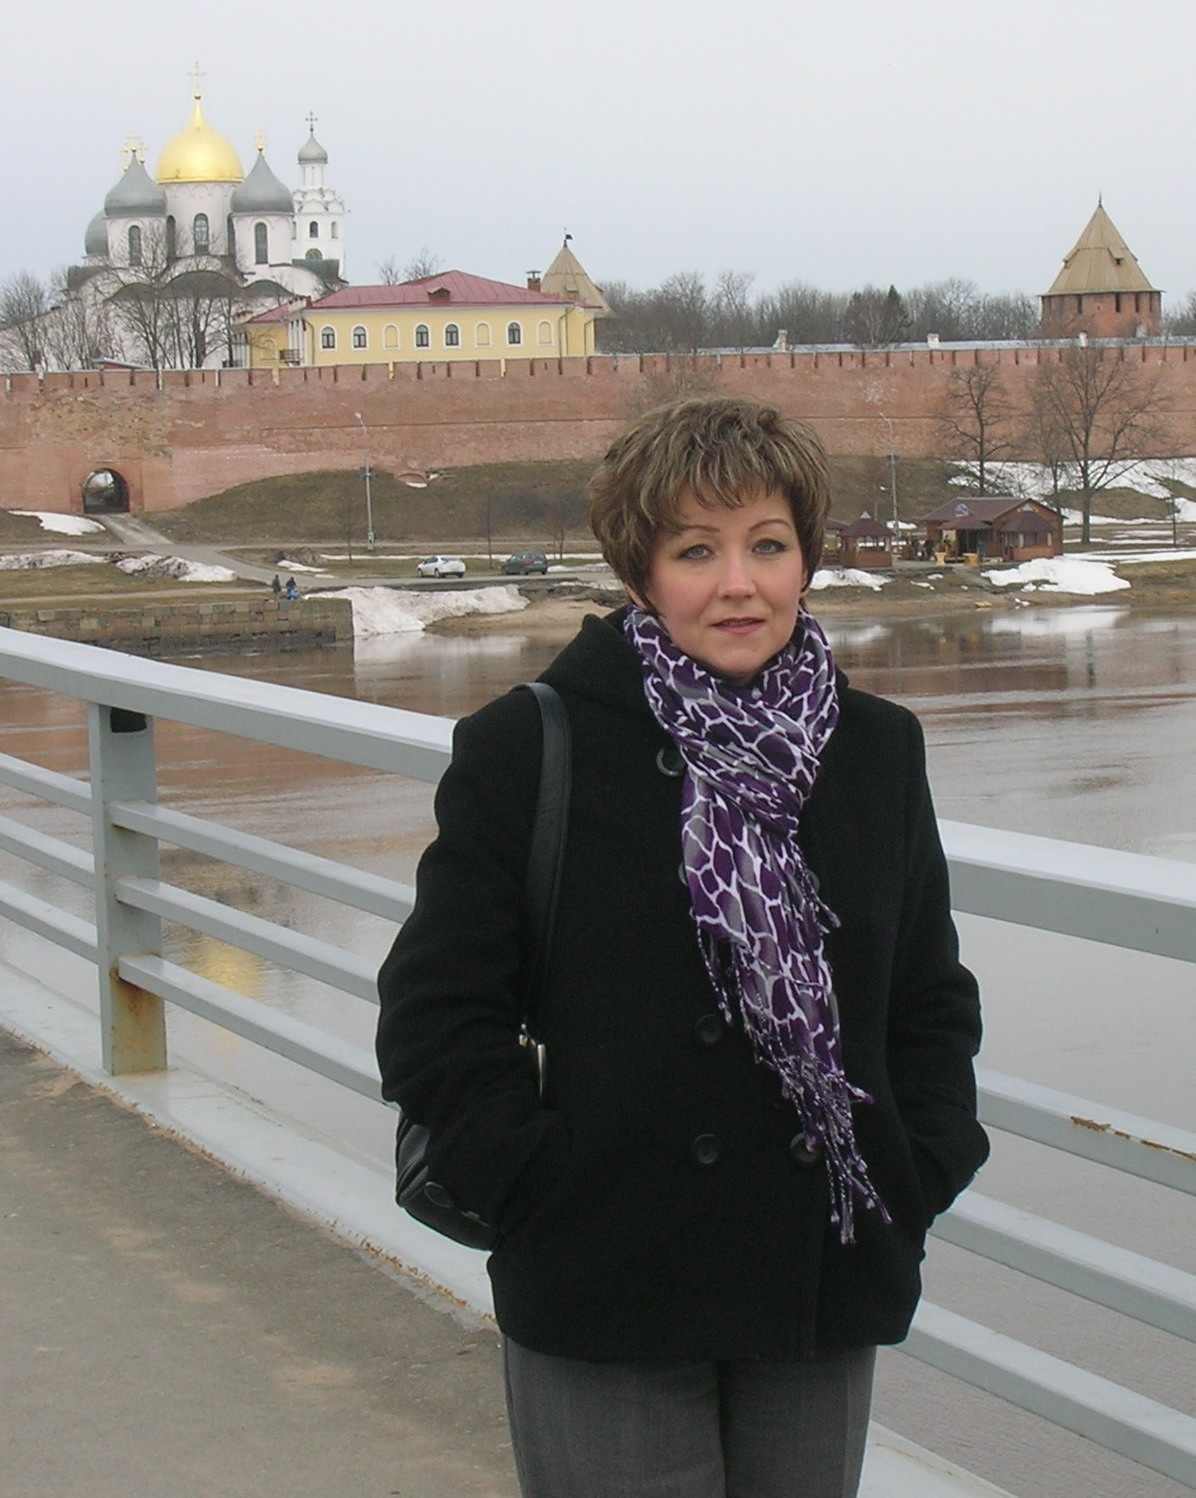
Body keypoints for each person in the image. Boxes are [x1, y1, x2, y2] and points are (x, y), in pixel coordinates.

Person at [376, 395, 988, 1498]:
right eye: (695, 551)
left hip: (817, 1266)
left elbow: (925, 999)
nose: (738, 583)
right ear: (639, 573)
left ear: (806, 558)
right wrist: (532, 1186)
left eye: (768, 544)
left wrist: (919, 1166)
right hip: (605, 1267)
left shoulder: (873, 752)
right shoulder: (532, 746)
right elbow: (437, 1009)